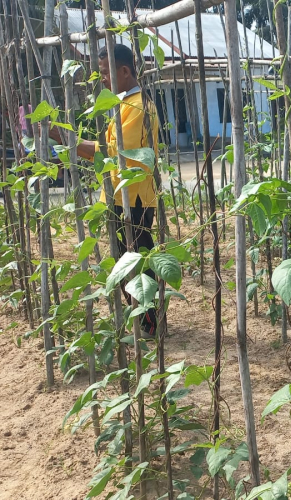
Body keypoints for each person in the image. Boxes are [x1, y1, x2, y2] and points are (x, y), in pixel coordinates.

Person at [52, 44, 159, 337]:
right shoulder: (123, 104)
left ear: (124, 71)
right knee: (126, 260)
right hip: (118, 197)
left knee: (137, 261)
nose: (102, 80)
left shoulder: (138, 107)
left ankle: (150, 322)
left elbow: (118, 153)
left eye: (105, 73)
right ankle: (141, 319)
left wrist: (72, 142)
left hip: (134, 198)